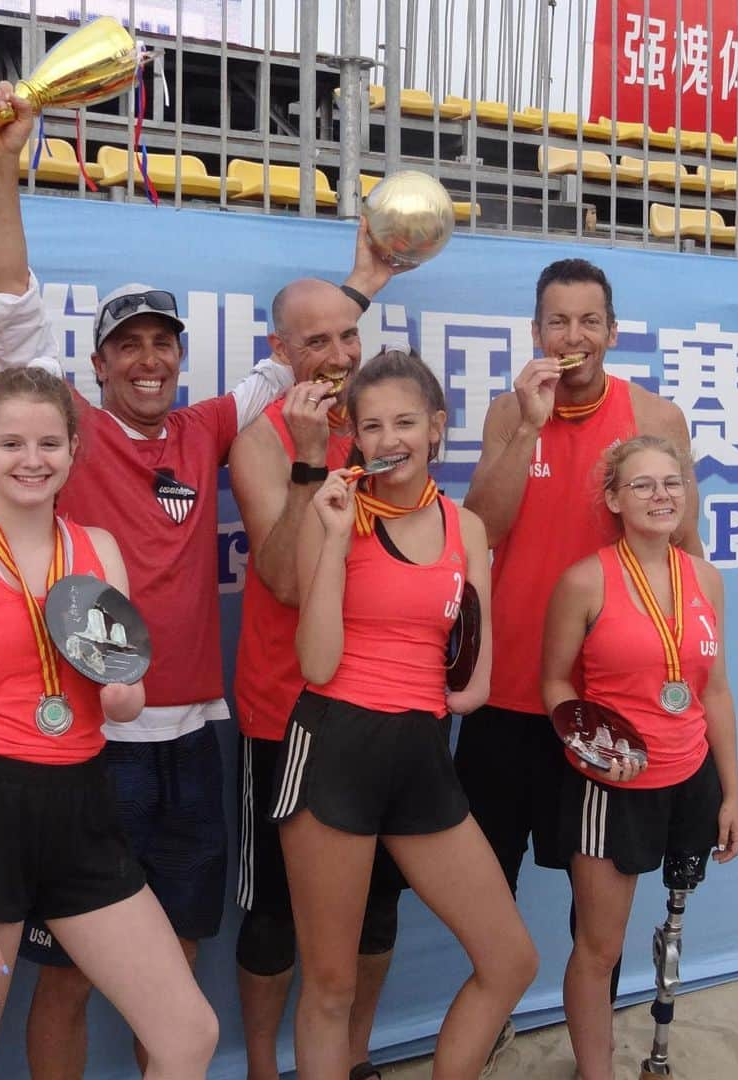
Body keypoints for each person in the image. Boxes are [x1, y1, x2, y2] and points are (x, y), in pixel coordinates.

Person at [0, 84, 394, 1078]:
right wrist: (1, 169)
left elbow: (308, 359)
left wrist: (365, 282)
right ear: (99, 363)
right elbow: (8, 324)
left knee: (186, 951)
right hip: (95, 733)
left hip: (200, 736)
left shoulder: (207, 429)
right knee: (71, 972)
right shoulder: (64, 431)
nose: (150, 360)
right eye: (129, 346)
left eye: (163, 343)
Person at [0, 366, 218, 1079]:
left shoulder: (97, 550)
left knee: (188, 1034)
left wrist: (125, 691)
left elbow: (121, 699)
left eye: (48, 442)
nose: (31, 459)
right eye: (11, 443)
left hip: (82, 805)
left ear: (74, 449)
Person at [272, 348, 538, 1079]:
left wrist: (455, 693)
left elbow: (474, 661)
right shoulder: (335, 512)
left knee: (510, 961)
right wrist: (329, 540)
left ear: (436, 427)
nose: (389, 439)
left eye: (406, 422)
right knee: (330, 985)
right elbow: (317, 663)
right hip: (334, 746)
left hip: (421, 750)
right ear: (351, 435)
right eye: (372, 425)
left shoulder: (467, 528)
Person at [456, 258, 703, 1014]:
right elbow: (481, 532)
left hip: (608, 707)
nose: (574, 337)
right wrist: (527, 426)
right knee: (487, 876)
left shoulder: (656, 418)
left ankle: (588, 1042)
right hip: (507, 692)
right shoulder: (511, 412)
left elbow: (685, 555)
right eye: (557, 322)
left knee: (598, 907)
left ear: (612, 331)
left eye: (589, 321)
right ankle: (490, 1022)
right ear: (535, 332)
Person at [229, 280, 407, 1080]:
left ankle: (354, 1057)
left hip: (380, 706)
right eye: (315, 344)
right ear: (279, 353)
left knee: (378, 904)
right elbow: (289, 582)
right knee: (274, 912)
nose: (338, 358)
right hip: (286, 712)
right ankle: (267, 1068)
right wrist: (310, 460)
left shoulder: (379, 429)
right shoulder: (262, 440)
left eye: (348, 338)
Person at [541, 434, 738, 1080]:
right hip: (614, 785)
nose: (661, 496)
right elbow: (555, 684)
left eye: (672, 483)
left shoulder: (705, 577)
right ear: (614, 499)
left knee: (669, 922)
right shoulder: (585, 580)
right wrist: (588, 748)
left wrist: (732, 793)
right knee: (599, 947)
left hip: (691, 776)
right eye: (643, 485)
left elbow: (713, 689)